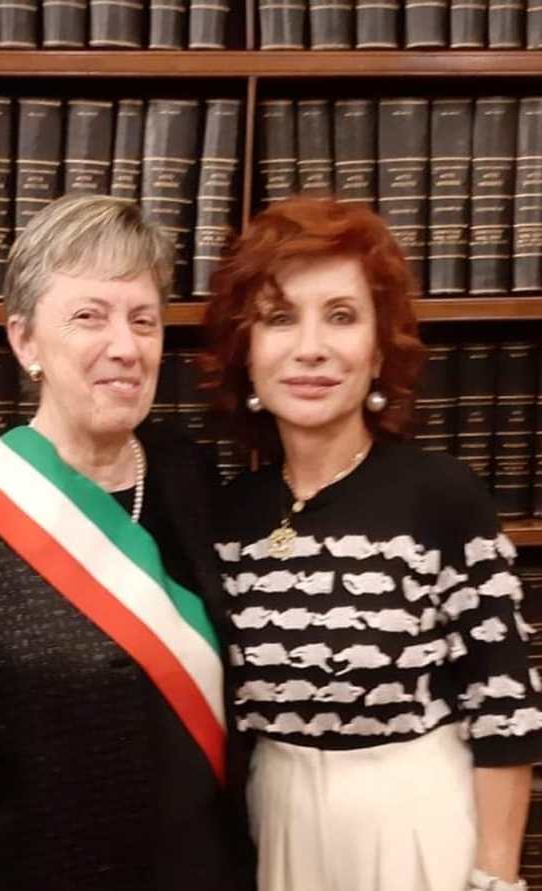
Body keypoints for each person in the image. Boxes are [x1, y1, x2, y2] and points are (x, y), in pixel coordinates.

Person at [204, 194, 542, 891]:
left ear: (379, 349)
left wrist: (495, 880)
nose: (311, 347)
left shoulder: (442, 496)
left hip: (413, 827)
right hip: (274, 826)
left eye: (341, 316)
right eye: (280, 318)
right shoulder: (226, 514)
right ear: (247, 353)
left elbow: (504, 708)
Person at [0, 193, 253, 891]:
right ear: (24, 341)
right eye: (89, 317)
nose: (125, 347)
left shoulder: (188, 476)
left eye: (143, 319)